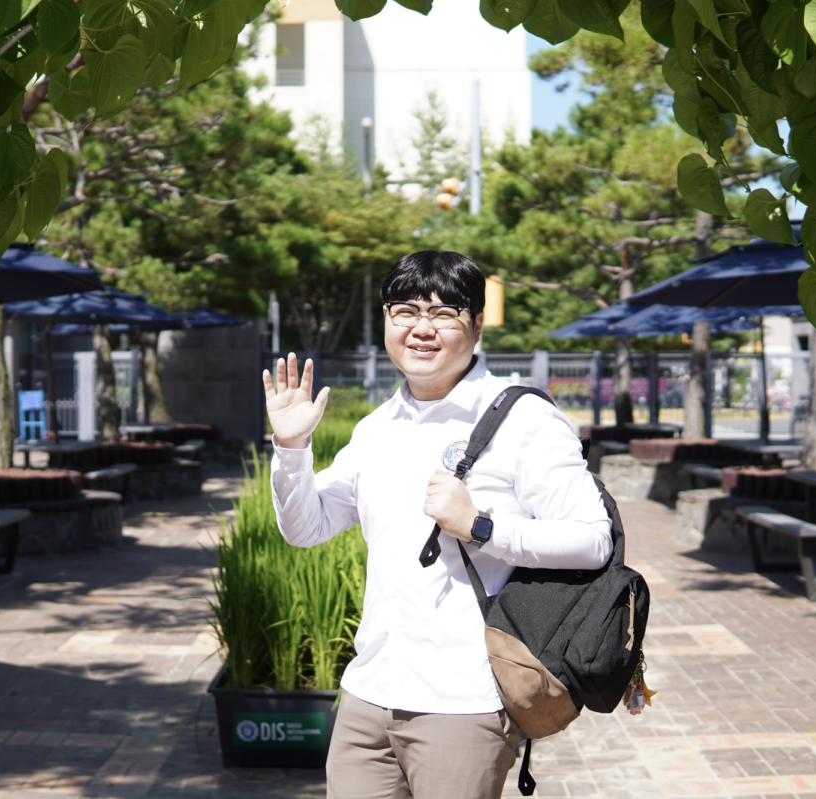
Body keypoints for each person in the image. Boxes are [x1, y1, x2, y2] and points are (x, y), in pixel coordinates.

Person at [262, 250, 612, 799]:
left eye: (445, 313)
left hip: (463, 702)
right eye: (405, 311)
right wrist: (291, 448)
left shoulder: (524, 419)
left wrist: (481, 526)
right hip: (367, 696)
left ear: (474, 324)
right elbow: (306, 528)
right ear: (385, 320)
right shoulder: (377, 427)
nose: (421, 328)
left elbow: (593, 540)